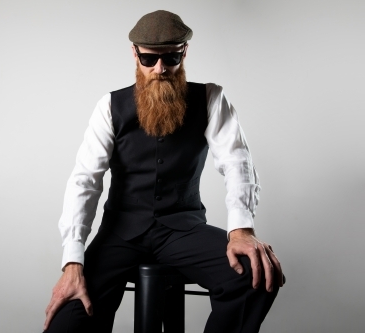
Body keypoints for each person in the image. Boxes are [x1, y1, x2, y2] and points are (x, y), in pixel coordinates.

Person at [44, 10, 284, 333]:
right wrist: (73, 260)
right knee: (65, 326)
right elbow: (84, 181)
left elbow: (238, 162)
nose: (160, 69)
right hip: (120, 234)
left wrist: (241, 230)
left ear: (184, 52)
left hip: (183, 231)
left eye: (170, 57)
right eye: (149, 59)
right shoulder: (109, 107)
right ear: (135, 54)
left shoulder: (211, 99)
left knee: (257, 275)